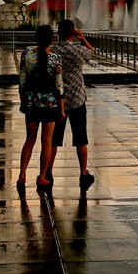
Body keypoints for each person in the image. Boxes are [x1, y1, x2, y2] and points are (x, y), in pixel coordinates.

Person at [16, 25, 66, 195]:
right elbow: (59, 86)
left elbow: (22, 80)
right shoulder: (55, 58)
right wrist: (61, 109)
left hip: (31, 102)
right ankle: (42, 176)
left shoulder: (27, 54)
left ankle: (22, 174)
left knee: (29, 139)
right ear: (52, 39)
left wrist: (24, 99)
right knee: (47, 141)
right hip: (50, 104)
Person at [47, 19, 95, 191]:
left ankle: (48, 172)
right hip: (77, 99)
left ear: (58, 33)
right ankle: (83, 173)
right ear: (73, 32)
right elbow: (92, 53)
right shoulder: (78, 50)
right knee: (80, 138)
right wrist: (82, 38)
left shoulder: (52, 51)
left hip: (56, 100)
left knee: (53, 140)